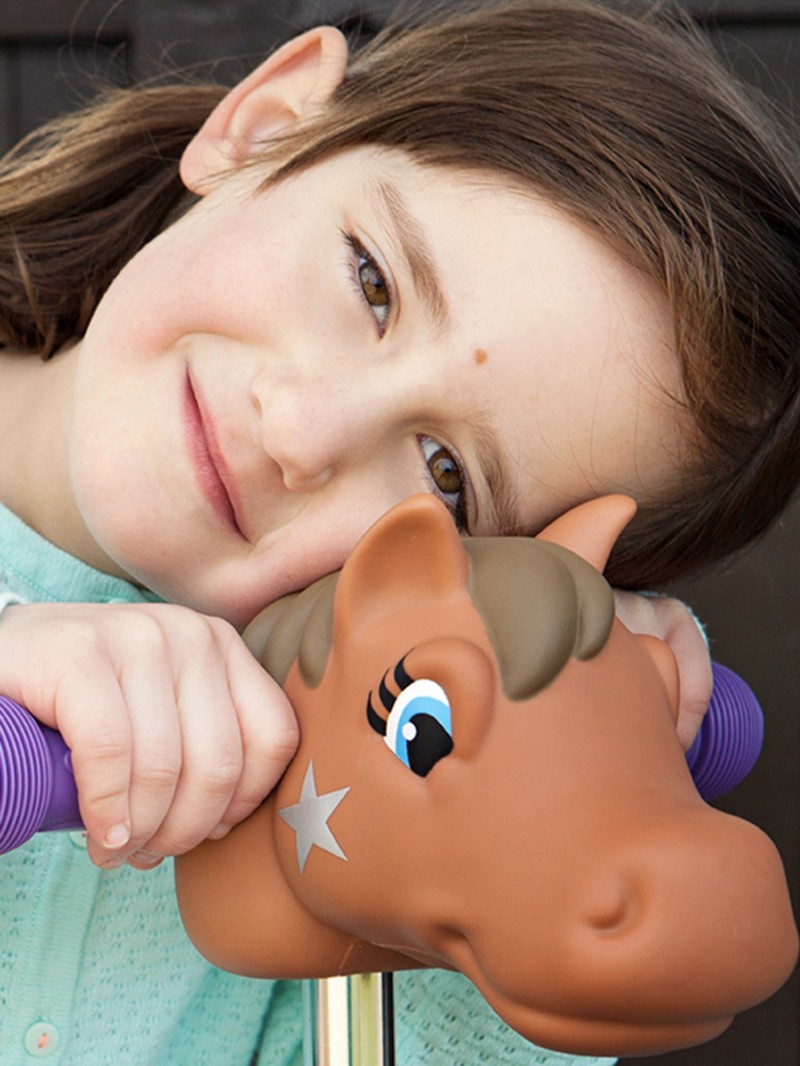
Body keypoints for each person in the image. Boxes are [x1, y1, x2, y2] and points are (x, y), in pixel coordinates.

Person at [0, 0, 798, 1061]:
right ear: (267, 122)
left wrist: (560, 749)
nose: (300, 429)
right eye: (371, 281)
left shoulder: (324, 790)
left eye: (445, 478)